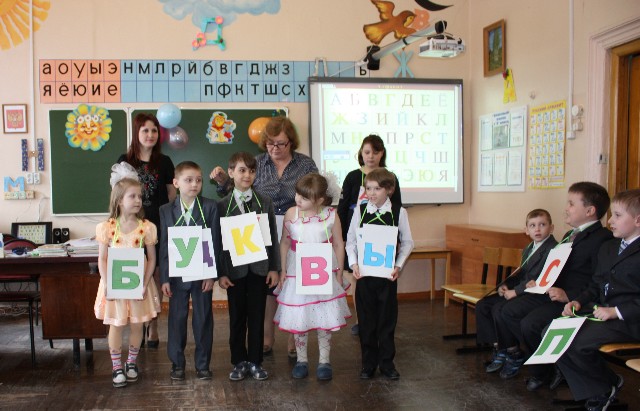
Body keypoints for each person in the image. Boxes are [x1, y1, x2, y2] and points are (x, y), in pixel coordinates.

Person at [210, 116, 317, 358]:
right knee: (267, 285)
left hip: (296, 227)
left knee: (294, 283)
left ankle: (294, 337)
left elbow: (314, 192)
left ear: (291, 142)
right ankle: (267, 337)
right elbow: (237, 192)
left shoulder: (305, 164)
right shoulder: (257, 162)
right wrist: (222, 181)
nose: (274, 148)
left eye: (281, 143)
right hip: (259, 228)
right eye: (270, 143)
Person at [499, 181, 612, 390]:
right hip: (550, 292)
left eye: (571, 203)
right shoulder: (571, 234)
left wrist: (569, 295)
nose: (566, 208)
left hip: (573, 299)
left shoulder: (602, 239)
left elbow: (598, 279)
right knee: (509, 311)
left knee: (530, 324)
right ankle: (550, 364)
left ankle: (545, 370)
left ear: (589, 211)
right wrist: (539, 282)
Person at [558, 189, 640, 410]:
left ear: (638, 220)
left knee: (577, 343)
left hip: (630, 320)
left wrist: (616, 311)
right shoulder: (609, 246)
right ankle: (600, 388)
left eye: (617, 215)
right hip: (601, 313)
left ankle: (603, 389)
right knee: (553, 333)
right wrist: (578, 301)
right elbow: (596, 283)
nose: (610, 221)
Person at [273, 173, 351, 380]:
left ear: (320, 200)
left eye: (305, 197)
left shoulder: (331, 215)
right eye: (298, 194)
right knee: (301, 314)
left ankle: (324, 361)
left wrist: (339, 271)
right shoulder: (291, 213)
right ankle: (302, 360)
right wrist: (283, 270)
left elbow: (338, 243)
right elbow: (285, 242)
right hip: (297, 271)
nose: (298, 199)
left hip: (323, 271)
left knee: (324, 314)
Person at [94, 163, 161, 388]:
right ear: (119, 200)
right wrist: (107, 283)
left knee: (137, 324)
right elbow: (102, 258)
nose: (138, 200)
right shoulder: (107, 228)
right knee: (116, 324)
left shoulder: (147, 227)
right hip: (115, 284)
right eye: (132, 196)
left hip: (138, 284)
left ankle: (131, 362)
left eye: (140, 196)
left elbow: (151, 258)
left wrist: (145, 282)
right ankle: (116, 366)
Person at [217, 152, 281, 381]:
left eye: (252, 171)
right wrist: (221, 273)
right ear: (231, 172)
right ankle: (239, 361)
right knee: (236, 317)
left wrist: (274, 268)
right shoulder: (221, 206)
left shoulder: (265, 202)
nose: (247, 175)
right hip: (234, 272)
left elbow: (272, 237)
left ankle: (255, 361)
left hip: (259, 269)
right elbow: (219, 243)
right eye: (242, 170)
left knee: (257, 316)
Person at [345, 168, 414, 380]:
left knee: (386, 322)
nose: (372, 193)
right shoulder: (360, 210)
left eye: (377, 188)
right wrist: (354, 263)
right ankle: (368, 364)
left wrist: (398, 266)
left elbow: (408, 243)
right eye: (368, 188)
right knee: (366, 323)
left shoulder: (399, 212)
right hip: (364, 277)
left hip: (387, 277)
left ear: (389, 190)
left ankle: (386, 363)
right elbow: (351, 241)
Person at [159, 161, 221, 381]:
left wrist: (211, 274)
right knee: (177, 320)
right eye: (188, 180)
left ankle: (203, 365)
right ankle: (177, 364)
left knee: (203, 320)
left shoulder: (210, 207)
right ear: (176, 183)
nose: (194, 184)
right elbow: (164, 245)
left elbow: (214, 241)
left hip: (202, 273)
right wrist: (164, 278)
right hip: (177, 276)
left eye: (198, 180)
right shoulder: (166, 210)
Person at [118, 113, 176, 349]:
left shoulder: (165, 161)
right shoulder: (125, 161)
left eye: (154, 131)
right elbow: (118, 193)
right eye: (145, 130)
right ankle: (138, 323)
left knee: (157, 275)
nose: (150, 135)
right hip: (132, 226)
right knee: (137, 274)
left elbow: (171, 193)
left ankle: (153, 325)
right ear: (137, 133)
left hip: (158, 225)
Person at [478, 209, 558, 373]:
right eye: (532, 226)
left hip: (534, 294)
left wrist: (516, 291)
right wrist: (505, 285)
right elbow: (521, 274)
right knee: (483, 305)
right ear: (526, 230)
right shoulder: (529, 247)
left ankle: (513, 351)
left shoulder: (553, 249)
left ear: (551, 228)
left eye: (542, 225)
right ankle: (499, 348)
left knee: (499, 309)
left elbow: (538, 278)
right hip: (521, 289)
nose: (537, 229)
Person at [337, 134, 402, 335]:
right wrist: (343, 237)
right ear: (361, 153)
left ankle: (380, 321)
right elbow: (342, 207)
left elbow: (397, 207)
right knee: (358, 278)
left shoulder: (390, 177)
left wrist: (396, 240)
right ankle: (362, 320)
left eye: (375, 152)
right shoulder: (352, 176)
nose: (371, 156)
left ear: (382, 153)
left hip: (383, 239)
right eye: (367, 152)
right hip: (358, 237)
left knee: (381, 281)